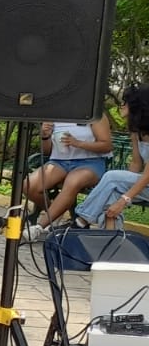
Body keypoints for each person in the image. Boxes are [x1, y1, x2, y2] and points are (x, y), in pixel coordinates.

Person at [21, 116, 114, 239]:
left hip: (90, 162)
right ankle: (55, 215)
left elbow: (106, 145)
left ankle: (39, 227)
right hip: (60, 162)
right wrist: (45, 135)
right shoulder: (57, 114)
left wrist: (78, 143)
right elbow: (47, 151)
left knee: (72, 181)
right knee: (28, 185)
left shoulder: (95, 114)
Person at [76, 84, 149, 230]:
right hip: (146, 185)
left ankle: (81, 220)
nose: (121, 106)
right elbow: (136, 164)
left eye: (125, 102)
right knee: (111, 193)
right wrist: (123, 191)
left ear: (137, 106)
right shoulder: (136, 132)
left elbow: (147, 175)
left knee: (112, 178)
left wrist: (126, 198)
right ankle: (111, 242)